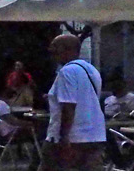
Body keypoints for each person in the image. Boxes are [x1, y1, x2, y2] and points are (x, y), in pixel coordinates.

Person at [43, 32, 106, 170]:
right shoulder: (92, 70)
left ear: (69, 49)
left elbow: (69, 106)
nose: (51, 50)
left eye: (55, 47)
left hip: (73, 138)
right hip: (95, 136)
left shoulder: (67, 72)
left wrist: (64, 138)